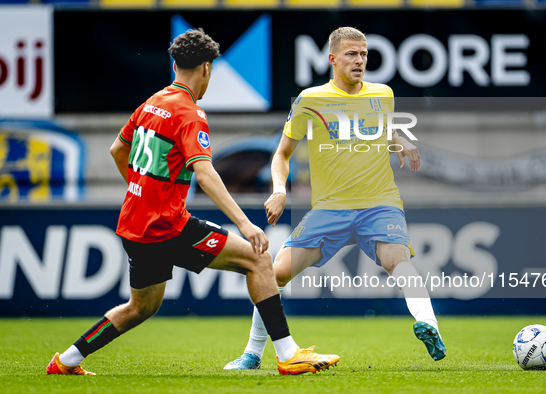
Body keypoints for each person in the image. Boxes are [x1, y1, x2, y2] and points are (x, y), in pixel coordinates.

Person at [46, 28, 339, 376]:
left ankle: (66, 361)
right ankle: (288, 354)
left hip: (135, 225)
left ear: (174, 65)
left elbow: (117, 150)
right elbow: (204, 173)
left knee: (140, 308)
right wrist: (245, 224)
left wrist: (142, 190)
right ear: (206, 68)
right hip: (167, 226)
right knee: (257, 260)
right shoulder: (190, 113)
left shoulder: (152, 102)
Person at [225, 27, 445, 371]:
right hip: (330, 209)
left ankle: (429, 324)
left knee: (398, 260)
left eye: (364, 54)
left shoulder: (382, 94)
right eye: (352, 54)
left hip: (379, 203)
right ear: (332, 59)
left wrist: (399, 139)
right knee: (275, 272)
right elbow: (281, 154)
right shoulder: (310, 100)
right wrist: (279, 191)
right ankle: (252, 354)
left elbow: (377, 127)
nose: (360, 61)